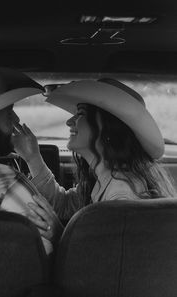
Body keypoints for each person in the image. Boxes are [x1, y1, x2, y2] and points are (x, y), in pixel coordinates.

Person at [23, 78, 177, 227]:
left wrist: (57, 233)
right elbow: (63, 206)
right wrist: (32, 157)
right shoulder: (104, 178)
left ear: (108, 127)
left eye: (81, 114)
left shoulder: (121, 195)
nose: (69, 121)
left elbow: (108, 252)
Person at [0, 56, 63, 255]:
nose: (16, 120)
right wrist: (59, 233)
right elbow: (44, 256)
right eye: (8, 114)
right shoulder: (8, 184)